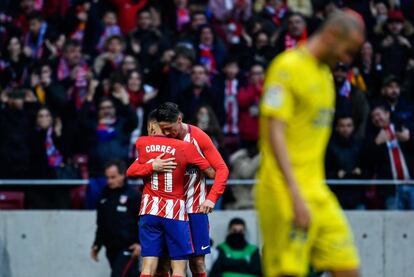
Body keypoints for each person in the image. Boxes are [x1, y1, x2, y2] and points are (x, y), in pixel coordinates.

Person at [256, 10, 364, 277]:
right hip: (283, 190)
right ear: (330, 36)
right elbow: (274, 133)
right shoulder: (287, 67)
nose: (347, 60)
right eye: (347, 51)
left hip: (317, 190)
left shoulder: (326, 76)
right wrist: (294, 193)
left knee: (348, 268)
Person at [126, 111, 216, 277]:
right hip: (175, 213)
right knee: (179, 268)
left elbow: (130, 171)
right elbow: (213, 172)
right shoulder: (184, 147)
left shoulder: (143, 145)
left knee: (148, 267)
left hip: (149, 211)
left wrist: (152, 165)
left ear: (152, 127)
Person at [154, 102, 229, 277]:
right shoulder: (158, 138)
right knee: (163, 264)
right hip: (167, 208)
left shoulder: (199, 137)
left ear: (179, 119)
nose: (165, 133)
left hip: (194, 207)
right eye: (162, 128)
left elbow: (222, 169)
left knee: (197, 262)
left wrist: (211, 198)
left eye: (169, 128)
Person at [91, 160, 141, 277]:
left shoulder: (133, 196)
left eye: (113, 177)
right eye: (107, 177)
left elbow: (143, 222)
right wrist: (97, 245)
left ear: (123, 175)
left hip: (128, 248)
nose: (109, 181)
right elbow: (101, 224)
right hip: (110, 249)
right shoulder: (104, 196)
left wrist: (139, 243)